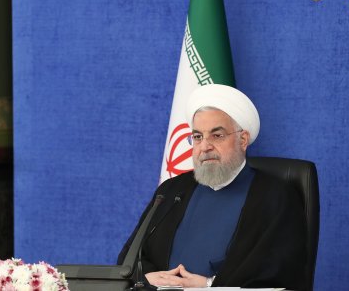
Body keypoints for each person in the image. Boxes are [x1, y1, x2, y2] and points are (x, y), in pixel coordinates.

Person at [118, 84, 307, 290]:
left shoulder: (275, 196)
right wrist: (146, 278)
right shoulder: (171, 191)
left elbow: (280, 271)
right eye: (197, 137)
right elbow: (129, 259)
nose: (205, 146)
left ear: (243, 139)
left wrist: (209, 284)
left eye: (217, 135)